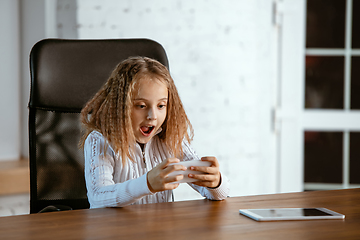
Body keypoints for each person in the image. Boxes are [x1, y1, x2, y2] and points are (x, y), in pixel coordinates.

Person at [79, 56, 229, 208]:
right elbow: (98, 197)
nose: (152, 116)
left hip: (159, 229)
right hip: (117, 230)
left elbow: (220, 194)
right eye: (141, 106)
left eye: (161, 106)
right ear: (120, 105)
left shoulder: (171, 139)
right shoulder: (99, 140)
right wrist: (147, 183)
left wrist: (215, 183)